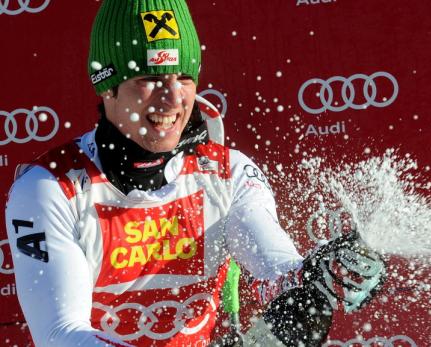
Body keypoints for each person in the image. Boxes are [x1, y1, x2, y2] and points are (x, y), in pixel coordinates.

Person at [4, 1, 386, 346]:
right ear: (108, 86)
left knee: (305, 311)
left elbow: (276, 274)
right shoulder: (50, 189)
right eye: (149, 78)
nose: (173, 99)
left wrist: (320, 276)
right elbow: (60, 335)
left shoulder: (227, 173)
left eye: (183, 77)